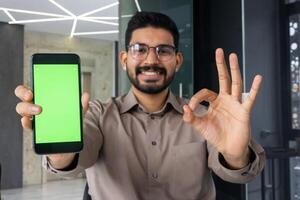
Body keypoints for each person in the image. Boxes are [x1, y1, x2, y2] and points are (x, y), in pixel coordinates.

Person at [15, 11, 265, 200]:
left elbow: (241, 172)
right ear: (124, 59)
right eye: (139, 49)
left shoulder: (202, 116)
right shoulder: (98, 115)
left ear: (177, 60)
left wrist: (235, 156)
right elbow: (71, 163)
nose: (151, 60)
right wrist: (60, 149)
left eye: (163, 50)